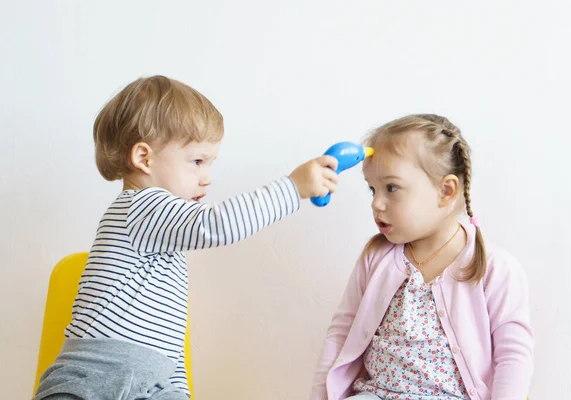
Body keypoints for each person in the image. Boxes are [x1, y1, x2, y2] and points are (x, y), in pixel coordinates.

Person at [34, 75, 339, 399]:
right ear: (144, 158)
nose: (206, 178)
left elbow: (168, 348)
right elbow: (218, 225)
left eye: (209, 163)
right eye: (196, 161)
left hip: (149, 383)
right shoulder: (141, 205)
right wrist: (292, 188)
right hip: (94, 380)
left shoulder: (165, 248)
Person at [311, 114, 534, 400]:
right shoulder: (376, 257)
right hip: (377, 394)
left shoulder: (495, 267)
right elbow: (340, 334)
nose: (376, 203)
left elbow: (514, 355)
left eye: (391, 188)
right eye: (372, 189)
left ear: (446, 191)